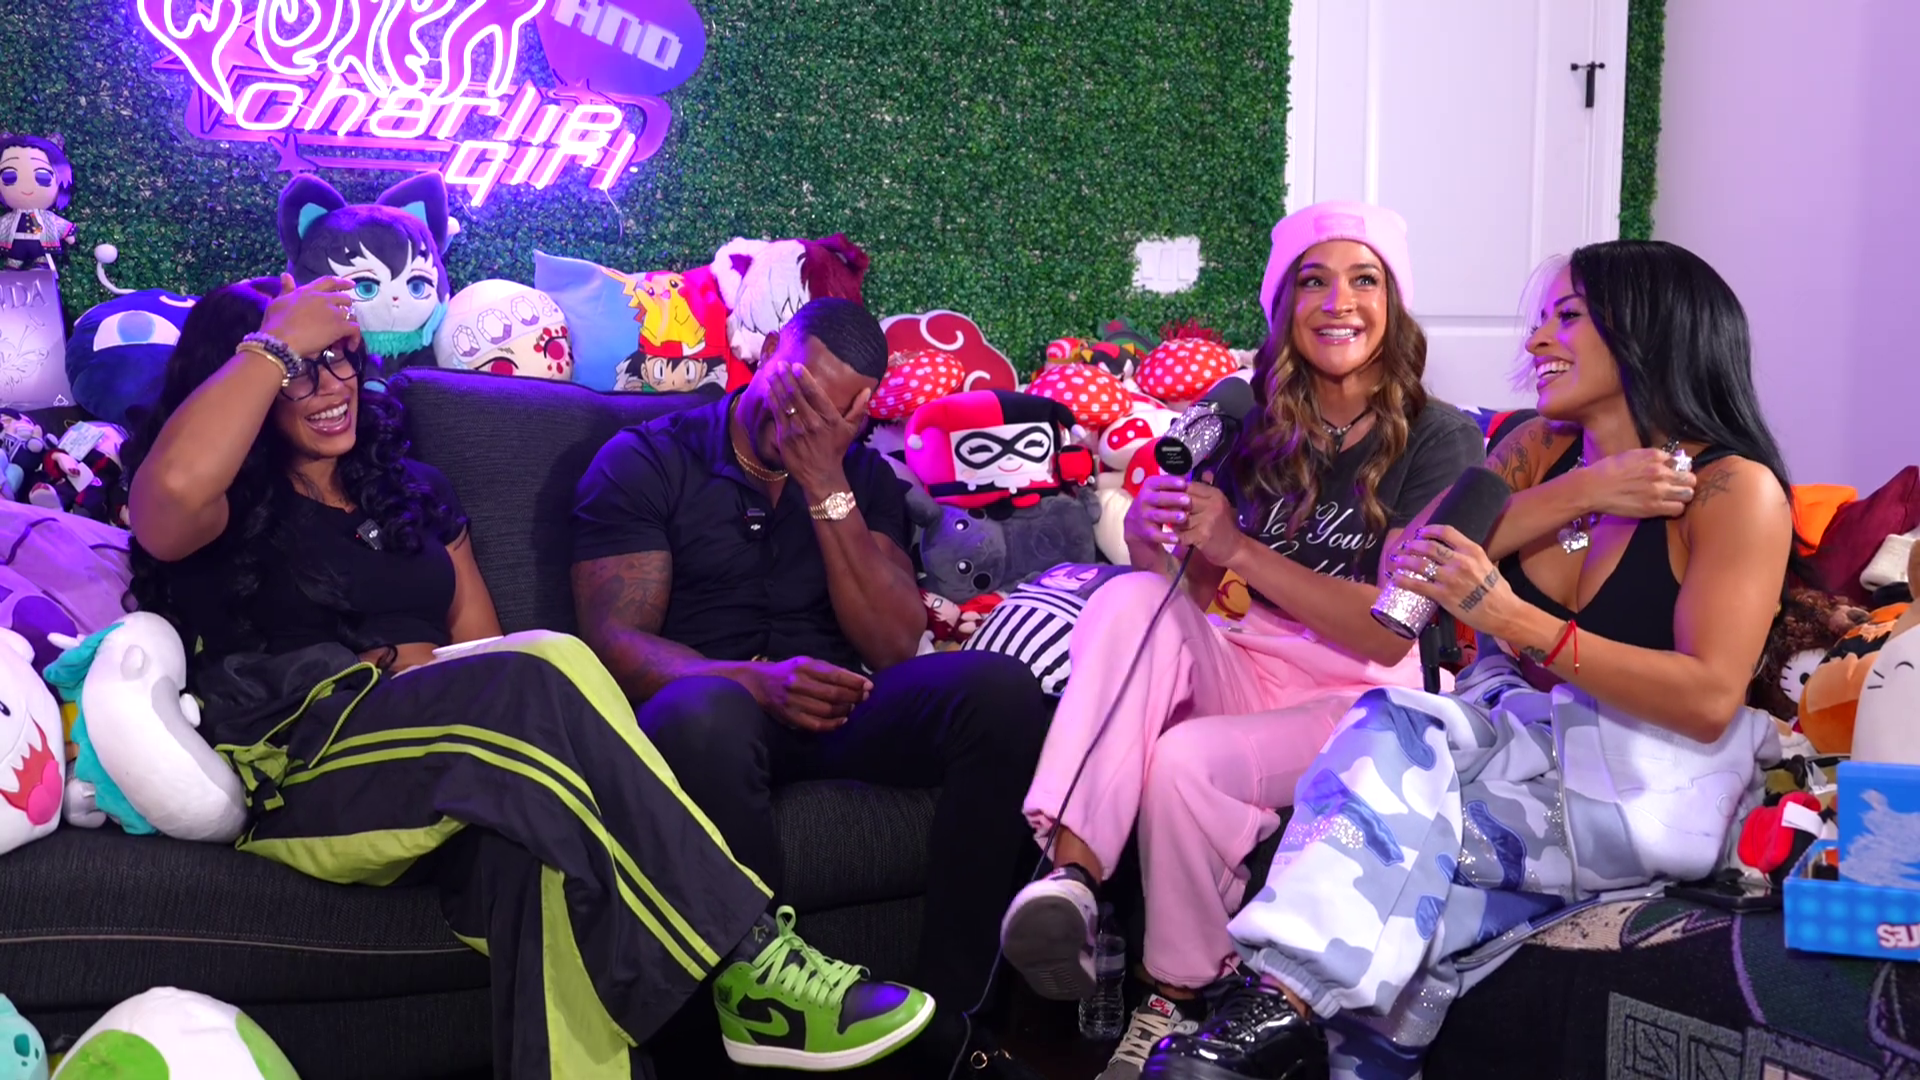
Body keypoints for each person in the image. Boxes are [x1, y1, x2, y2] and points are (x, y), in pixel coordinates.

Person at [125, 277, 936, 1079]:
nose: (333, 387)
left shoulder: (414, 490)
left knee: (546, 858)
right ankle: (752, 959)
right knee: (547, 663)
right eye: (300, 369)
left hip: (441, 769)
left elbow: (486, 651)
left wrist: (440, 690)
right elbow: (170, 494)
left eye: (341, 358)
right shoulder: (219, 507)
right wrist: (276, 343)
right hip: (308, 772)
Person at [1140, 239, 1797, 1080]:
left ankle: (1279, 999)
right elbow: (1404, 572)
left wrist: (1512, 618)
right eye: (1542, 319)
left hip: (1645, 778)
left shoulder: (1731, 489)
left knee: (1402, 852)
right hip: (1520, 745)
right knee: (1391, 743)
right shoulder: (1538, 449)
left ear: (1649, 330)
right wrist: (1581, 491)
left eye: (1568, 317)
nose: (1537, 340)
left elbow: (1708, 700)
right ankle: (1291, 1027)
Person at [999, 201, 1486, 1079]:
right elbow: (1195, 588)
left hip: (1366, 699)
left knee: (1185, 763)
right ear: (1283, 306)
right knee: (1126, 597)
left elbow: (1392, 634)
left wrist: (1241, 549)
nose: (1339, 302)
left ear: (1394, 302)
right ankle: (1070, 879)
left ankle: (1174, 997)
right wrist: (1156, 540)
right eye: (1314, 281)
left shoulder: (1443, 438)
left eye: (1364, 280)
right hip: (1247, 655)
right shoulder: (1247, 421)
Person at [569, 296, 1053, 1075]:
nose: (799, 420)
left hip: (835, 707)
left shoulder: (859, 474)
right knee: (707, 713)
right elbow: (612, 641)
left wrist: (826, 480)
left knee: (998, 691)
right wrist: (753, 682)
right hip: (707, 714)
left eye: (830, 414)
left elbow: (894, 644)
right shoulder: (648, 460)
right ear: (766, 354)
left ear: (861, 413)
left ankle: (949, 1029)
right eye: (793, 391)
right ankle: (765, 1016)